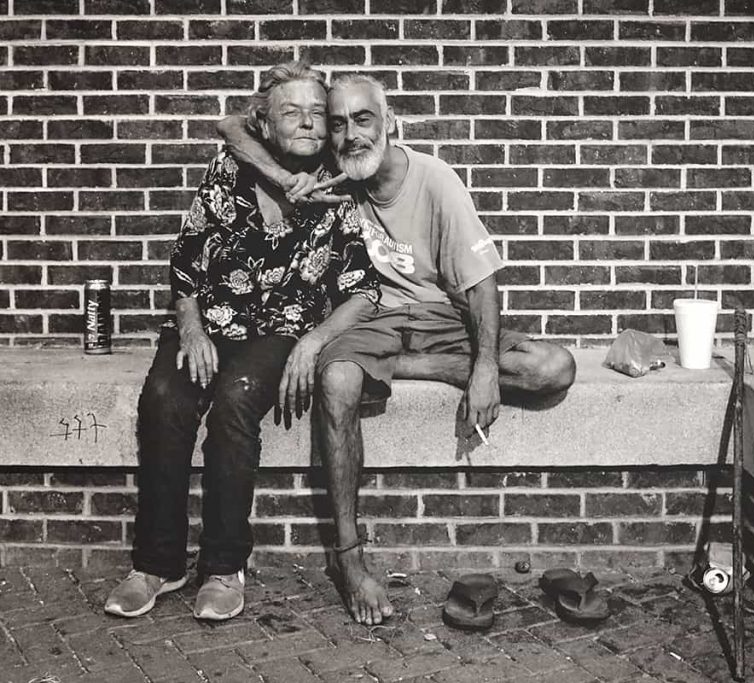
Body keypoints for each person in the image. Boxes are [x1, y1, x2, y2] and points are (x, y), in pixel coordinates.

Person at [217, 73, 576, 626]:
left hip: (438, 319)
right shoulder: (328, 175)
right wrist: (280, 177)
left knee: (553, 367)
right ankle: (349, 558)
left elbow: (482, 283)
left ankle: (413, 367)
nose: (350, 135)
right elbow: (231, 127)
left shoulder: (435, 180)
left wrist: (482, 371)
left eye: (363, 120)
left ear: (391, 125)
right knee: (337, 381)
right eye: (338, 124)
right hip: (370, 317)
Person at [105, 61, 379, 622]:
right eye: (290, 113)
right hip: (207, 323)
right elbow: (184, 259)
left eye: (314, 114)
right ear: (264, 125)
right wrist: (190, 327)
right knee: (164, 399)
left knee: (235, 403)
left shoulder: (338, 188)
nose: (306, 124)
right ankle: (157, 564)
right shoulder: (229, 169)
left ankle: (224, 566)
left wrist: (312, 342)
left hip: (276, 332)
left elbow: (364, 288)